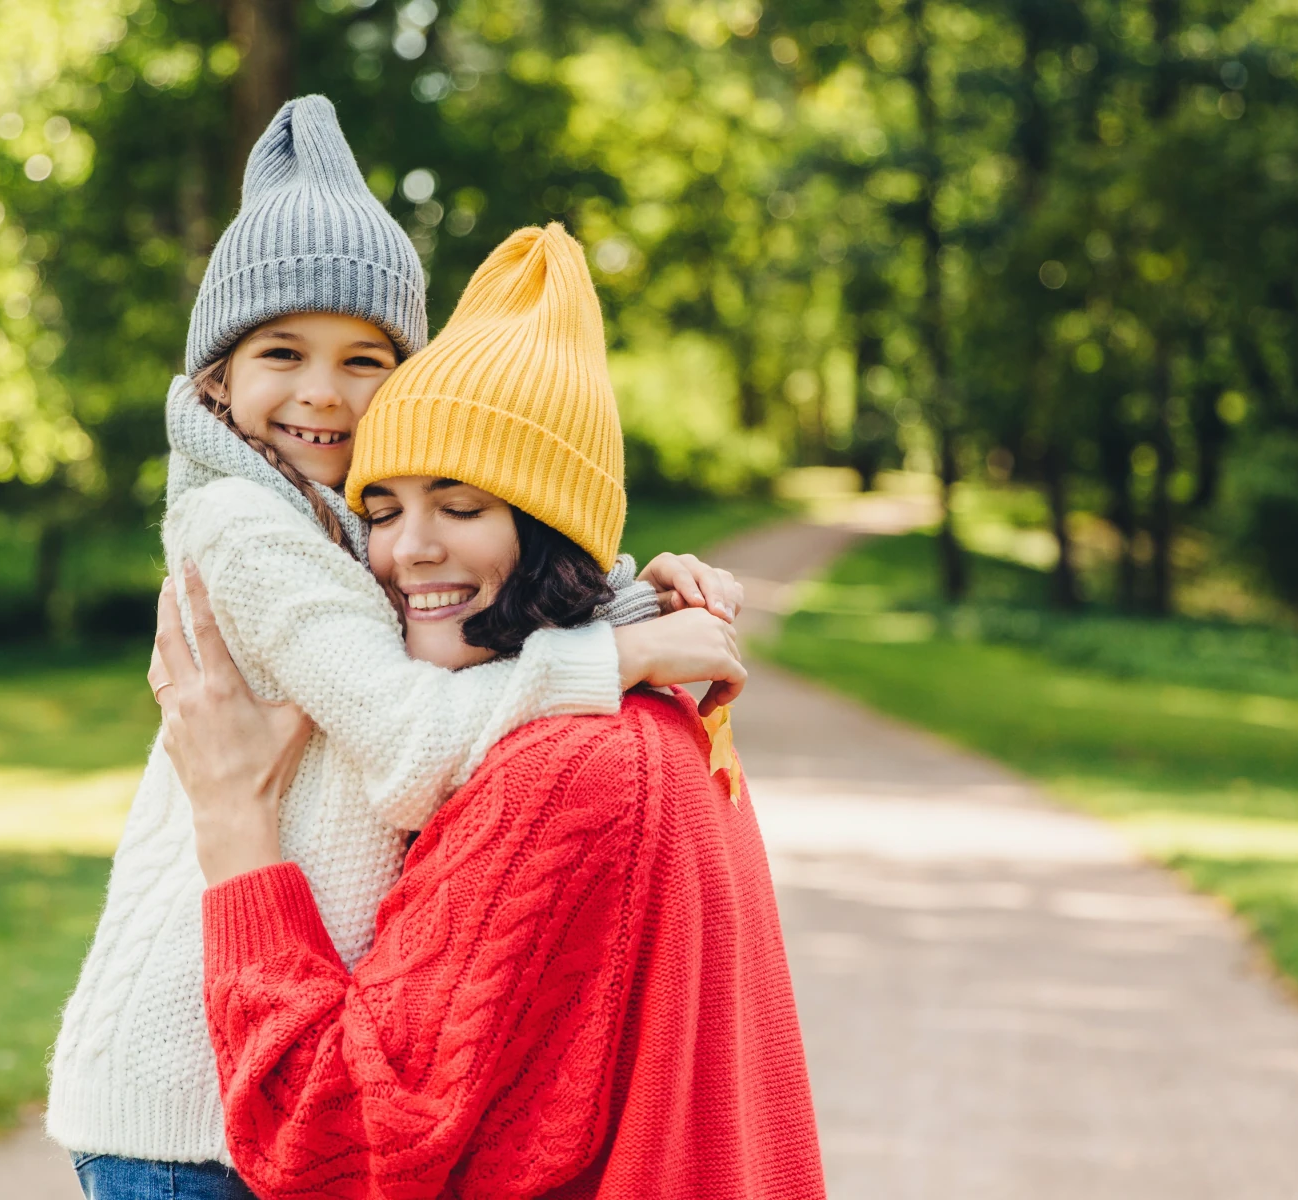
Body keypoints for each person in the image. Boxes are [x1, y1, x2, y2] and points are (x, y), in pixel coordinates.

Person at [46, 98, 747, 1199]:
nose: (323, 391)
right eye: (282, 352)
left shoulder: (341, 523)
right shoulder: (244, 531)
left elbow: (476, 623)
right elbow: (419, 740)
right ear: (216, 381)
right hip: (189, 1106)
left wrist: (622, 590)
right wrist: (626, 657)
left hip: (261, 1067)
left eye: (364, 359)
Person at [154, 225, 826, 1199]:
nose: (409, 549)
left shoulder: (561, 770)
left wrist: (234, 829)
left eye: (462, 507)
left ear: (550, 528)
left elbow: (331, 1135)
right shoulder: (660, 719)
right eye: (381, 510)